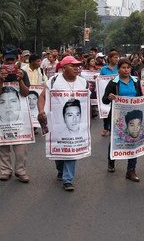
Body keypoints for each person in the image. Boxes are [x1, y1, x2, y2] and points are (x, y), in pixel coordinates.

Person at [38, 56, 87, 191]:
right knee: (59, 150)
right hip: (57, 122)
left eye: (78, 66)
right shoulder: (54, 81)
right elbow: (42, 97)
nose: (77, 68)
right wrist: (41, 110)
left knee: (72, 148)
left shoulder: (83, 82)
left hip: (76, 123)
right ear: (64, 68)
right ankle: (60, 169)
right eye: (73, 66)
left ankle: (68, 179)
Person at [0, 46, 31, 183]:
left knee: (20, 146)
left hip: (18, 116)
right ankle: (5, 171)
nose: (9, 64)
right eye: (7, 61)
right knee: (3, 144)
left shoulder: (22, 73)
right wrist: (1, 80)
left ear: (16, 60)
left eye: (12, 60)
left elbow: (25, 93)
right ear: (3, 60)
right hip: (1, 116)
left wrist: (20, 80)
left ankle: (21, 171)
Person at [102, 58, 143, 182]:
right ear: (118, 69)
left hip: (134, 117)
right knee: (115, 140)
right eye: (123, 67)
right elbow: (104, 99)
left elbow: (140, 96)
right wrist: (109, 97)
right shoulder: (113, 83)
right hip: (117, 116)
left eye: (128, 67)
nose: (126, 70)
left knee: (133, 141)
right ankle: (111, 160)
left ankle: (131, 170)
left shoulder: (136, 81)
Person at [99, 50, 119, 137]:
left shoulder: (119, 68)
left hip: (117, 92)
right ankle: (105, 128)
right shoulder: (104, 69)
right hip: (107, 91)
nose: (116, 59)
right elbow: (100, 80)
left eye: (117, 57)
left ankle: (113, 128)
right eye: (115, 57)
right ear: (110, 59)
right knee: (105, 109)